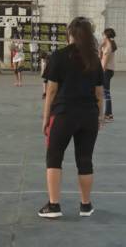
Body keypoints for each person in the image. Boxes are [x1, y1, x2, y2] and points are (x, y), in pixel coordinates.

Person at [39, 17, 104, 219]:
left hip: (64, 114)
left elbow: (51, 91)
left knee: (54, 157)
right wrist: (99, 117)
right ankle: (86, 205)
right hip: (89, 116)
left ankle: (54, 205)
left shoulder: (58, 56)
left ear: (70, 34)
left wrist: (45, 118)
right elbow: (99, 94)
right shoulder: (94, 59)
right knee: (85, 160)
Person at [100, 28, 117, 121]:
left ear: (106, 36)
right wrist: (100, 47)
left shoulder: (108, 47)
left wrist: (100, 72)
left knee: (106, 92)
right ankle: (108, 114)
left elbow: (104, 62)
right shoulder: (108, 45)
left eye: (103, 35)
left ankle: (108, 114)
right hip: (109, 71)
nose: (102, 36)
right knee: (105, 92)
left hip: (106, 71)